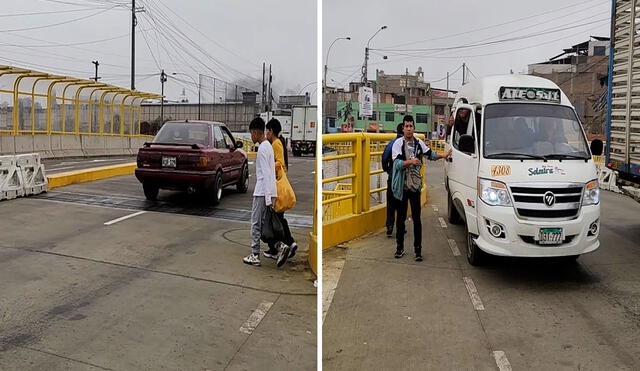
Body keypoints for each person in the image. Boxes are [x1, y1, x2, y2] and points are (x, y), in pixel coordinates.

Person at [391, 115, 451, 262]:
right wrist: (411, 161)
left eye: (411, 126)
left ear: (414, 128)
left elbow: (430, 154)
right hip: (402, 187)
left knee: (417, 219)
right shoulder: (397, 144)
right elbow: (397, 164)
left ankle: (418, 251)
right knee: (400, 219)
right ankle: (400, 248)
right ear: (403, 128)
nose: (409, 129)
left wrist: (443, 155)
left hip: (415, 187)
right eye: (407, 126)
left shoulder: (419, 143)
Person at [243, 117, 291, 267]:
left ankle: (255, 254)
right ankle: (280, 246)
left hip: (262, 192)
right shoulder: (268, 147)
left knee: (256, 223)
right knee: (265, 226)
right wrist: (272, 196)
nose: (251, 137)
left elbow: (266, 173)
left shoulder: (263, 149)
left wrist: (269, 197)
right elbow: (271, 172)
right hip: (268, 192)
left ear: (256, 132)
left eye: (251, 133)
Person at [263, 118, 298, 260]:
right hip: (278, 182)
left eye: (267, 131)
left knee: (274, 219)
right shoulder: (277, 143)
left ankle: (280, 246)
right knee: (279, 218)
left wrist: (269, 164)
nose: (266, 133)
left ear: (271, 131)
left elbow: (280, 163)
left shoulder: (276, 144)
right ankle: (289, 242)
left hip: (276, 183)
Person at [381, 123, 404, 237]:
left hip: (392, 177)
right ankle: (401, 225)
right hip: (404, 179)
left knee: (391, 202)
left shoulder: (392, 143)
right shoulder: (410, 143)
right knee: (402, 203)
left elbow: (384, 157)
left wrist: (387, 169)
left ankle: (390, 226)